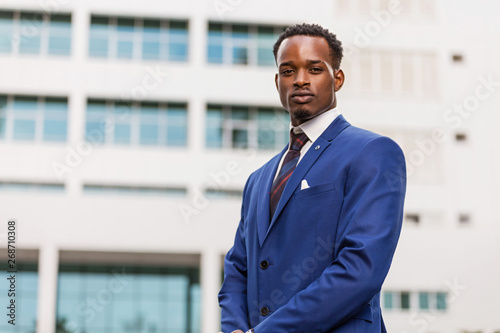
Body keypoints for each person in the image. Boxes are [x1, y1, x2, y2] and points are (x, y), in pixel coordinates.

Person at [218, 23, 407, 333]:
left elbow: (360, 269)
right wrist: (236, 328)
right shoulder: (258, 179)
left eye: (315, 69)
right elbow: (238, 269)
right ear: (278, 81)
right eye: (289, 71)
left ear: (338, 78)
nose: (301, 79)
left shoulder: (372, 152)